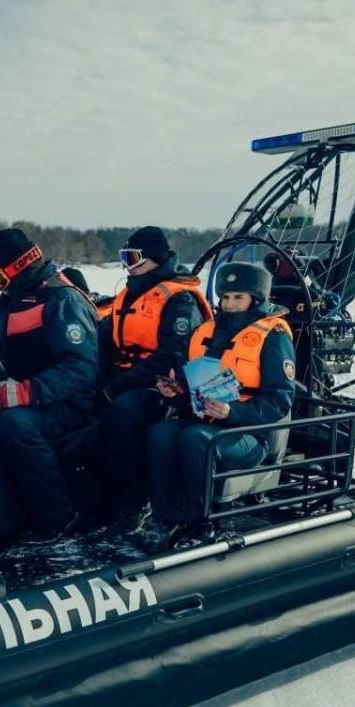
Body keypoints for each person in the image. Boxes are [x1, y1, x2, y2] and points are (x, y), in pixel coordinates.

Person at [144, 260, 296, 548]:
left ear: (256, 299)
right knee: (160, 433)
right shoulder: (204, 332)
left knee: (195, 438)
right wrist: (175, 392)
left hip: (250, 434)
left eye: (238, 297)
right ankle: (165, 517)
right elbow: (190, 384)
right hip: (205, 419)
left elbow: (279, 400)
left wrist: (233, 411)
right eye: (225, 297)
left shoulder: (272, 338)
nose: (229, 304)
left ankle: (200, 524)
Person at [0, 228, 99, 543]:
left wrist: (25, 392)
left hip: (67, 403)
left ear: (19, 267)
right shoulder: (10, 301)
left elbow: (82, 368)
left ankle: (59, 517)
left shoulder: (62, 299)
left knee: (13, 425)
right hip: (27, 395)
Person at [94, 226, 212, 533]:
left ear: (155, 258)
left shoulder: (178, 300)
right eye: (124, 257)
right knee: (86, 406)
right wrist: (97, 381)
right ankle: (92, 495)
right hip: (125, 376)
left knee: (124, 412)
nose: (127, 266)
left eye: (133, 258)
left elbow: (173, 354)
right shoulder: (128, 295)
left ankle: (134, 502)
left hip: (164, 384)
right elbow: (107, 342)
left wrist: (119, 385)